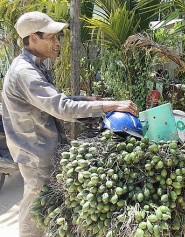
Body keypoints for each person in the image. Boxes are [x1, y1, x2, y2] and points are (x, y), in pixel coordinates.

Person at [1, 11, 139, 237]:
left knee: (42, 206)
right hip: (35, 151)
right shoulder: (25, 72)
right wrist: (108, 105)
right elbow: (61, 107)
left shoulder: (36, 66)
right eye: (52, 37)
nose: (57, 43)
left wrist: (93, 101)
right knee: (35, 207)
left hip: (42, 146)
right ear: (33, 39)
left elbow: (56, 100)